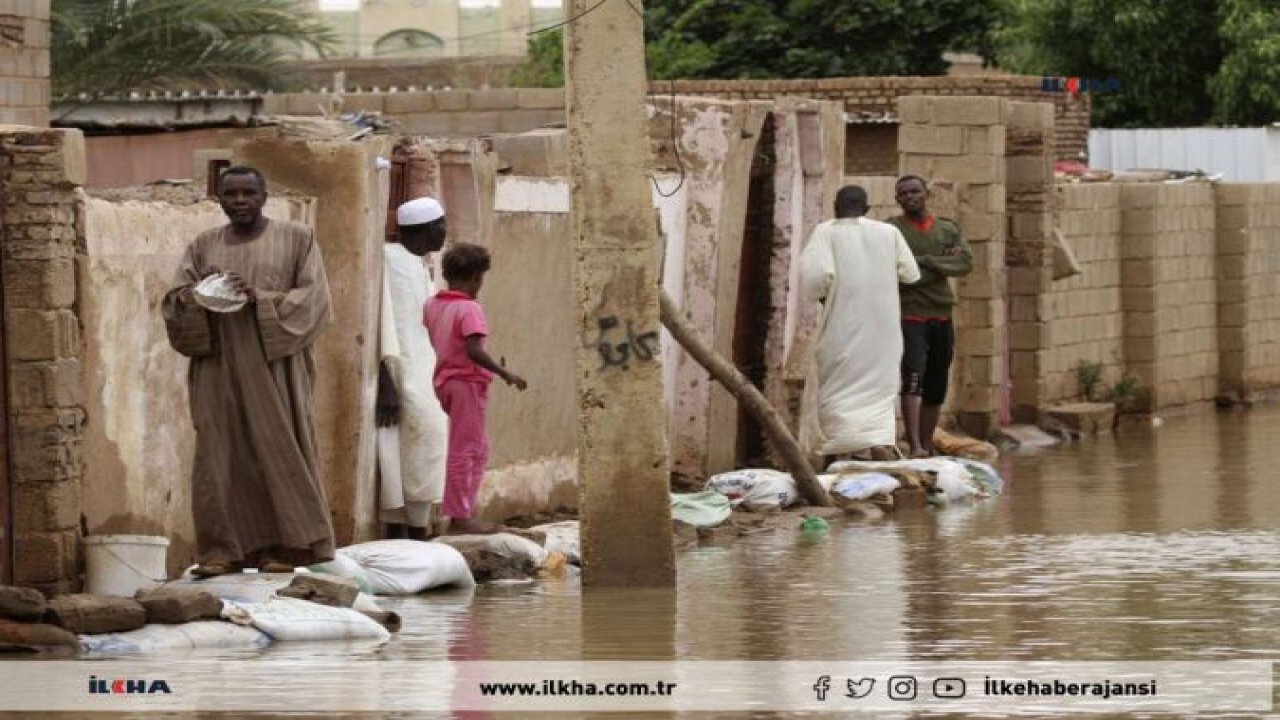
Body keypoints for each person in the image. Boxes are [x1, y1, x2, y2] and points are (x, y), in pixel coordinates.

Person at [162, 166, 335, 577]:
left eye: (248, 193)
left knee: (279, 450)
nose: (239, 200)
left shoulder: (297, 239)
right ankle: (222, 551)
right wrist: (197, 294)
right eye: (231, 194)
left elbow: (315, 300)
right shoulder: (203, 245)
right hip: (218, 365)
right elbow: (174, 300)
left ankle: (285, 548)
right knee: (218, 455)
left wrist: (261, 299)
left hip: (275, 365)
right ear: (219, 198)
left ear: (264, 196)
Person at [798, 185, 921, 464]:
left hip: (842, 325)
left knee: (838, 386)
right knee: (880, 387)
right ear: (866, 210)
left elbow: (815, 281)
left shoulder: (825, 232)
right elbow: (910, 273)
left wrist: (828, 296)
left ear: (835, 206)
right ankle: (879, 444)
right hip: (884, 329)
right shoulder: (888, 233)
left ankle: (839, 451)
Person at [424, 243, 527, 535]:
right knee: (465, 450)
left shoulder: (433, 305)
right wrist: (504, 372)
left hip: (446, 381)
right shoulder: (469, 309)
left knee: (479, 449)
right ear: (475, 278)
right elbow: (472, 349)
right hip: (466, 382)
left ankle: (465, 510)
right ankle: (459, 517)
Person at [376, 196, 451, 541]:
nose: (444, 233)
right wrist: (387, 378)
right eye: (441, 227)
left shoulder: (420, 264)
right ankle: (400, 531)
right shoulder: (389, 261)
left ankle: (419, 528)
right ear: (427, 229)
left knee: (426, 444)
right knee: (398, 448)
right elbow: (383, 319)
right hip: (400, 368)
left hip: (425, 371)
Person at [888, 175, 974, 458]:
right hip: (910, 315)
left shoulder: (947, 229)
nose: (911, 196)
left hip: (941, 315)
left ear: (927, 194)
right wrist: (939, 266)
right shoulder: (892, 231)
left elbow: (963, 263)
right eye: (904, 193)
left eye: (915, 191)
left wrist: (923, 262)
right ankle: (914, 446)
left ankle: (927, 444)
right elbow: (901, 276)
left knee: (937, 381)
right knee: (913, 377)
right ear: (897, 199)